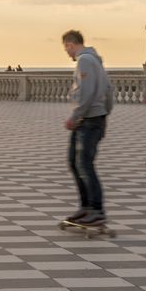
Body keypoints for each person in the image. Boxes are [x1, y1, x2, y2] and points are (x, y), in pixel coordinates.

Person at [62, 30, 114, 225]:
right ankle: (86, 207)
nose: (67, 53)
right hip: (92, 118)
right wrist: (105, 112)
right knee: (74, 162)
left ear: (70, 44)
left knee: (84, 164)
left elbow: (86, 92)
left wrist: (76, 116)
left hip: (88, 119)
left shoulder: (84, 60)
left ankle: (97, 209)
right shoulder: (96, 60)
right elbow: (109, 89)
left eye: (66, 48)